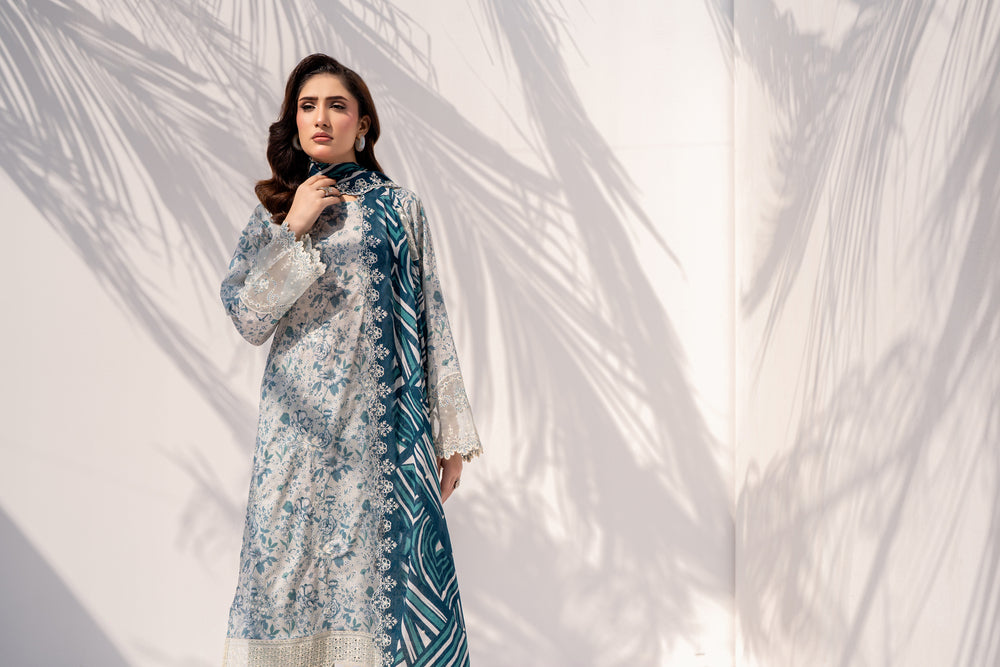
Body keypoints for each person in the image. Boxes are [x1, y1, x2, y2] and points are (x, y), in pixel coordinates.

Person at [219, 53, 483, 667]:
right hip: (296, 439)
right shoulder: (275, 213)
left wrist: (449, 437)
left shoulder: (400, 209)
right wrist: (295, 226)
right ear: (293, 121)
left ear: (362, 124)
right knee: (285, 582)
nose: (320, 118)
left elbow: (430, 319)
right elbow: (248, 317)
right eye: (307, 106)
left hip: (381, 439)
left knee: (387, 593)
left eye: (336, 105)